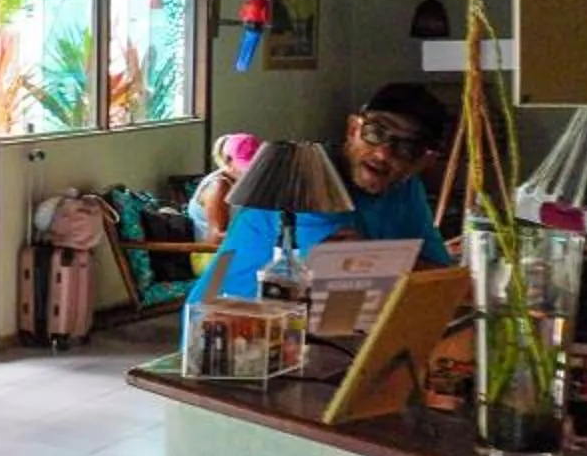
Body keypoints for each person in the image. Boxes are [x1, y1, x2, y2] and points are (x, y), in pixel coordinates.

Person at [205, 83, 456, 296]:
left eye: (406, 147)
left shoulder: (405, 188)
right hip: (225, 327)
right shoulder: (309, 178)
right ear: (352, 130)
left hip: (315, 332)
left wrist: (378, 260)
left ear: (422, 162)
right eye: (376, 132)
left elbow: (440, 278)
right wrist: (387, 262)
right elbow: (340, 283)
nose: (383, 153)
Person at [190, 131, 260, 240]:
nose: (251, 171)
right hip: (216, 254)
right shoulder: (218, 186)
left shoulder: (243, 182)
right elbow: (216, 237)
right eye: (246, 166)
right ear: (228, 160)